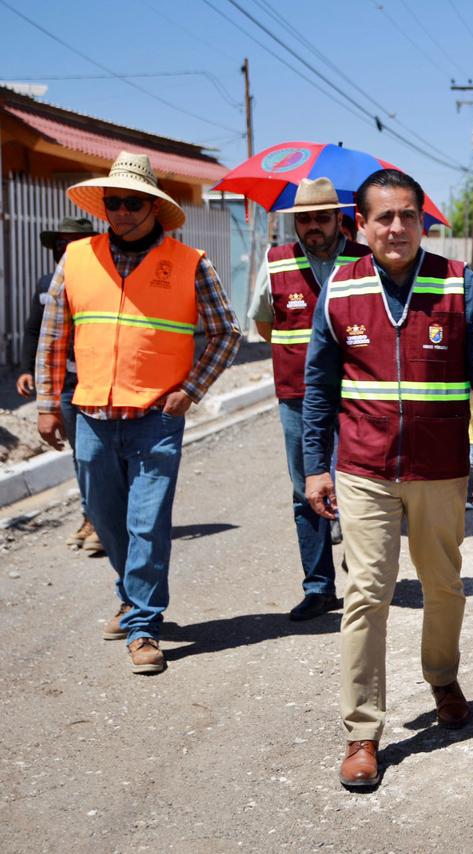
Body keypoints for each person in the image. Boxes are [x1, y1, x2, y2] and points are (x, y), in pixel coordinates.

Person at [302, 169, 473, 788]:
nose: (397, 227)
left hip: (441, 469)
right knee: (366, 592)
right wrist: (315, 465)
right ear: (359, 226)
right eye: (384, 217)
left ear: (424, 221)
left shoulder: (458, 284)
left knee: (445, 586)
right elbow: (318, 386)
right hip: (363, 468)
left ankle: (442, 677)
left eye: (408, 216)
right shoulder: (340, 288)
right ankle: (362, 731)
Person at [35, 152, 241, 674]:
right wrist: (46, 404)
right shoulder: (77, 257)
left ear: (152, 206)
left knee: (147, 523)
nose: (120, 212)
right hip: (92, 417)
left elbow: (226, 333)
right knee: (106, 522)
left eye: (131, 202)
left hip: (156, 418)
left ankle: (144, 624)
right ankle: (130, 598)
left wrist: (191, 389)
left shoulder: (192, 262)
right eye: (113, 202)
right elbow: (54, 336)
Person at [248, 178, 371, 621]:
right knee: (307, 491)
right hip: (298, 395)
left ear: (339, 218)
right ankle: (318, 587)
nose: (312, 226)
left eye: (321, 217)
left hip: (358, 393)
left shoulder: (364, 260)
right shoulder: (277, 262)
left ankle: (360, 576)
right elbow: (265, 323)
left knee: (360, 487)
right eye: (304, 219)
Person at [17, 216, 100, 553]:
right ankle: (91, 516)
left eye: (74, 243)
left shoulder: (102, 280)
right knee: (82, 455)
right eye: (59, 245)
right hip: (66, 383)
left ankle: (108, 520)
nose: (64, 251)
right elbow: (35, 330)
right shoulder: (45, 284)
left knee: (100, 454)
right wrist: (27, 369)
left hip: (99, 379)